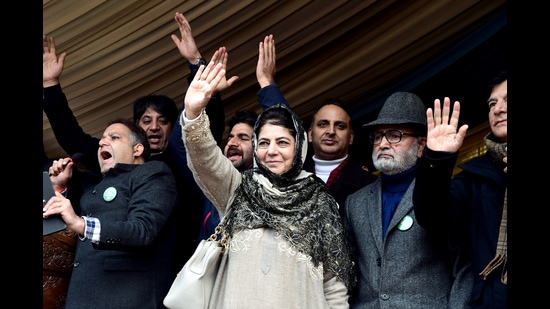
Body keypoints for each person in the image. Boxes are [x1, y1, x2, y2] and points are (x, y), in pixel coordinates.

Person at [42, 25, 235, 271]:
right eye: (146, 121)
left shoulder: (179, 158)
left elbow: (203, 134)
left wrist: (197, 67)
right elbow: (73, 138)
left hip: (182, 262)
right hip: (123, 267)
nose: (154, 127)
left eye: (163, 121)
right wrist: (50, 85)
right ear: (135, 132)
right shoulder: (115, 157)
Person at [180, 62, 356, 308]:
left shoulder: (321, 203)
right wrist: (193, 115)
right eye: (263, 143)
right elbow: (206, 160)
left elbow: (334, 286)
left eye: (282, 142)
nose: (271, 151)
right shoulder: (238, 189)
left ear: (299, 148)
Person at [340, 91, 473, 308]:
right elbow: (346, 271)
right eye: (378, 136)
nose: (383, 143)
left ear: (421, 146)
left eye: (394, 135)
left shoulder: (445, 193)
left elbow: (464, 268)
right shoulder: (355, 203)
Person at [43, 118, 180, 308]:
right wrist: (58, 188)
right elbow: (61, 239)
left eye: (114, 137)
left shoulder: (153, 172)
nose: (102, 142)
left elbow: (142, 230)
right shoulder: (92, 190)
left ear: (137, 149)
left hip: (126, 299)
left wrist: (80, 223)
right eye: (101, 139)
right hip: (82, 298)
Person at [413, 69, 508, 308]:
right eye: (492, 103)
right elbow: (432, 217)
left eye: (507, 100)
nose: (498, 109)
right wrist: (437, 159)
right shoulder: (476, 176)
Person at [255, 35, 377, 209]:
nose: (331, 131)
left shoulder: (370, 184)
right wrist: (266, 83)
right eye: (323, 124)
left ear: (351, 137)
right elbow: (286, 126)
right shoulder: (288, 171)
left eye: (340, 126)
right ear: (310, 134)